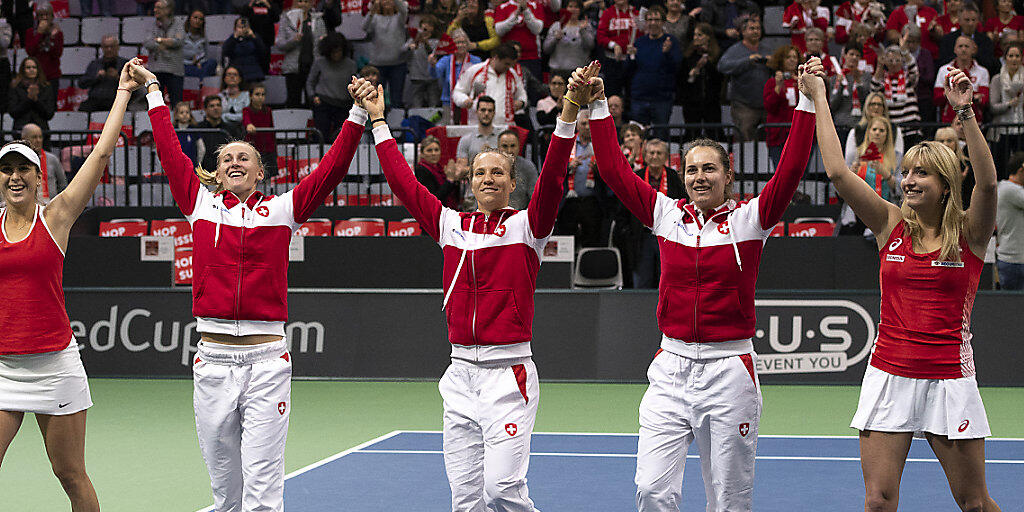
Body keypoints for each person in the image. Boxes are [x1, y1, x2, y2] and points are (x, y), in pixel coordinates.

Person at [583, 54, 817, 510]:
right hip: (670, 369)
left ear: (728, 175)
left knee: (728, 498)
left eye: (709, 168)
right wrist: (597, 108)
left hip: (730, 370)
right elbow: (613, 171)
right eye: (691, 169)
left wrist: (805, 105)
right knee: (652, 489)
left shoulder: (751, 220)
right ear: (682, 176)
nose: (699, 177)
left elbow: (789, 171)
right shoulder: (666, 216)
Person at [357, 54, 587, 511]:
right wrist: (379, 121)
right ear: (469, 180)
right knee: (465, 500)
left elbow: (555, 177)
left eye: (497, 172)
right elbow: (404, 184)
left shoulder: (528, 227)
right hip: (459, 374)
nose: (488, 178)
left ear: (512, 182)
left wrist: (569, 112)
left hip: (509, 375)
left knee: (503, 490)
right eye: (480, 172)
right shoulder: (449, 225)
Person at [135, 61, 366, 512]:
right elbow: (168, 149)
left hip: (266, 364)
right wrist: (154, 92)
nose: (235, 162)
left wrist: (357, 116)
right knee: (225, 494)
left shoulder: (282, 211)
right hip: (213, 363)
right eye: (226, 159)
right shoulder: (199, 205)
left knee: (263, 491)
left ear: (260, 172)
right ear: (217, 174)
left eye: (245, 158)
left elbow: (331, 170)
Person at [805, 57, 1003, 512]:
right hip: (889, 374)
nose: (908, 180)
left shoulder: (971, 234)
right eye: (908, 172)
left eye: (922, 174)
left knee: (974, 503)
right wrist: (818, 94)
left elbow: (988, 185)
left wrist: (966, 113)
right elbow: (838, 172)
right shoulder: (889, 224)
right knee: (878, 501)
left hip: (949, 378)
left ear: (946, 183)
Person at [0, 58, 141, 512]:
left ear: (39, 177)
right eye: (7, 171)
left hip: (54, 366)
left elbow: (100, 156)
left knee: (69, 474)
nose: (15, 177)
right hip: (3, 367)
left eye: (24, 169)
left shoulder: (56, 216)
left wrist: (122, 93)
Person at [629, 138, 684, 289]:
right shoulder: (636, 177)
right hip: (643, 235)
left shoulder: (674, 178)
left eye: (659, 153)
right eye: (651, 153)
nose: (654, 156)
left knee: (668, 281)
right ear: (645, 156)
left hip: (668, 235)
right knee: (642, 280)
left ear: (666, 157)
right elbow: (625, 208)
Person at [628, 5, 682, 136]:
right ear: (646, 22)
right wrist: (631, 56)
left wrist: (667, 53)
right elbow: (629, 71)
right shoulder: (639, 42)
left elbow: (677, 68)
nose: (653, 23)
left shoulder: (671, 42)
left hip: (662, 98)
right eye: (650, 20)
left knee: (660, 136)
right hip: (640, 97)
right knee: (637, 136)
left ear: (663, 22)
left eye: (656, 20)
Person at [718, 15, 771, 142]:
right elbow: (722, 66)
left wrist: (773, 62)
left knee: (767, 139)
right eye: (752, 29)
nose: (756, 31)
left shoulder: (767, 48)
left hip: (766, 104)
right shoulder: (735, 50)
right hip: (744, 104)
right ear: (743, 32)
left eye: (758, 28)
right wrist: (747, 61)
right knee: (744, 138)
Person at [451, 43, 526, 127]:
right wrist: (464, 100)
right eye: (506, 64)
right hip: (477, 125)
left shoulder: (512, 74)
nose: (508, 67)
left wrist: (521, 102)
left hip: (504, 127)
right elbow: (457, 92)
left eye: (511, 65)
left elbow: (522, 94)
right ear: (496, 58)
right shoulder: (475, 70)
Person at [307, 33, 357, 141]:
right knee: (321, 135)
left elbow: (354, 84)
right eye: (333, 52)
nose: (336, 54)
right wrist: (313, 96)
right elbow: (310, 82)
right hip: (323, 103)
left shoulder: (351, 65)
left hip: (343, 105)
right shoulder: (319, 62)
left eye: (339, 51)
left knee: (341, 138)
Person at [275, 0, 326, 108]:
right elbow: (279, 44)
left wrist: (323, 41)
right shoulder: (287, 19)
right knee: (293, 100)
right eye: (300, 1)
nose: (303, 4)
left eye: (306, 2)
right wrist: (293, 41)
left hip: (313, 67)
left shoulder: (317, 19)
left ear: (311, 4)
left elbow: (324, 42)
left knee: (312, 100)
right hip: (294, 68)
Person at [871, 43, 922, 146]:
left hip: (911, 129)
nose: (894, 64)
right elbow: (874, 88)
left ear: (902, 62)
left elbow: (914, 70)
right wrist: (880, 65)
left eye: (897, 60)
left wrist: (905, 51)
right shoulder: (883, 81)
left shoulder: (908, 78)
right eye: (890, 61)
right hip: (891, 130)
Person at [363, 0, 409, 109]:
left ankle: (396, 124)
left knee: (396, 98)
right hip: (377, 64)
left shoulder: (400, 17)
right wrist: (371, 12)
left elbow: (403, 9)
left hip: (398, 63)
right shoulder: (374, 17)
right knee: (377, 98)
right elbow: (365, 27)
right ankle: (378, 123)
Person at [680, 22, 723, 138]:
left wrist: (707, 63)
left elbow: (720, 77)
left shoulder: (717, 55)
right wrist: (692, 73)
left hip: (711, 101)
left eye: (699, 35)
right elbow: (682, 78)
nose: (696, 38)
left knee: (714, 134)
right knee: (692, 134)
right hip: (692, 102)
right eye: (695, 35)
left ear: (708, 37)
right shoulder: (689, 55)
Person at [934, 36, 990, 124]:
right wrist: (973, 96)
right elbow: (937, 98)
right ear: (955, 49)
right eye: (960, 46)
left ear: (973, 50)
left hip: (975, 122)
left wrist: (952, 93)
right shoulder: (944, 70)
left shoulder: (982, 72)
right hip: (949, 122)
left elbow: (984, 100)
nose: (963, 49)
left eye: (967, 46)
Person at [845, 91, 905, 171]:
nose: (876, 107)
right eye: (872, 104)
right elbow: (849, 161)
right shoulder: (855, 131)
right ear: (867, 107)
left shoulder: (895, 130)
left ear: (884, 108)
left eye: (879, 104)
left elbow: (898, 159)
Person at [988, 41, 1024, 173]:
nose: (1014, 59)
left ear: (1021, 58)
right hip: (1002, 130)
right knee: (1001, 166)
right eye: (1010, 56)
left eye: (1017, 56)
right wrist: (1009, 105)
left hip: (1021, 129)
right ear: (1005, 58)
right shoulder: (997, 79)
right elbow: (993, 106)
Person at [764, 44, 801, 170]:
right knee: (780, 170)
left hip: (798, 133)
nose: (792, 60)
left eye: (794, 57)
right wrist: (778, 87)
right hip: (778, 135)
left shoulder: (802, 82)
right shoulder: (772, 82)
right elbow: (770, 107)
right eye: (788, 57)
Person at [938, 2, 999, 77]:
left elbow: (991, 65)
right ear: (959, 21)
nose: (970, 24)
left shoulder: (985, 41)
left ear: (978, 21)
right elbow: (942, 63)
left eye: (973, 20)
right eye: (967, 20)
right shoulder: (948, 40)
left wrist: (974, 54)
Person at [433, 29, 481, 123]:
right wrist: (432, 65)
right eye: (457, 42)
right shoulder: (446, 60)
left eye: (463, 42)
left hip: (470, 103)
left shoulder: (476, 61)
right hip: (449, 102)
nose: (460, 45)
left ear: (468, 44)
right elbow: (435, 74)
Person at [144, 0, 185, 106]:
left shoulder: (178, 24)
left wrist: (159, 40)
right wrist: (168, 42)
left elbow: (179, 41)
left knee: (177, 103)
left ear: (168, 10)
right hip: (155, 70)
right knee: (155, 104)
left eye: (159, 7)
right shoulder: (152, 25)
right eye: (154, 7)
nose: (155, 10)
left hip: (174, 70)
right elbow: (147, 43)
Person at [595, 0, 639, 99]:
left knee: (631, 96)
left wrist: (636, 47)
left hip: (632, 61)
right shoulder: (608, 13)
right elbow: (600, 36)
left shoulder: (636, 14)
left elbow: (643, 34)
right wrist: (613, 45)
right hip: (612, 61)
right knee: (611, 95)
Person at [829, 43, 871, 142]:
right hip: (840, 125)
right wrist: (840, 85)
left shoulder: (866, 76)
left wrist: (859, 81)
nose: (854, 57)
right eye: (851, 54)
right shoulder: (835, 78)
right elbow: (833, 104)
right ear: (845, 55)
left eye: (857, 55)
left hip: (859, 125)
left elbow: (866, 101)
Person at [493, 0, 544, 80]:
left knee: (532, 89)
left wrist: (526, 11)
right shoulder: (502, 7)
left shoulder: (535, 5)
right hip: (508, 58)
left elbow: (537, 29)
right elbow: (499, 31)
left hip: (531, 57)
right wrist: (515, 15)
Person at [542, 0, 594, 78]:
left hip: (579, 72)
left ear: (580, 10)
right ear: (565, 9)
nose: (573, 9)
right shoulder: (556, 26)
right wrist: (555, 38)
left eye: (576, 7)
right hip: (557, 71)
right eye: (570, 6)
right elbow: (546, 49)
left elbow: (590, 46)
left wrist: (583, 32)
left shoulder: (586, 25)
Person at [79, 35, 129, 113]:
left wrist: (118, 78)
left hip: (117, 100)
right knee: (83, 109)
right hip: (96, 100)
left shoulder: (125, 64)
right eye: (106, 47)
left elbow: (134, 85)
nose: (109, 49)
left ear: (117, 47)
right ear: (102, 48)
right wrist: (96, 77)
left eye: (112, 46)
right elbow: (82, 83)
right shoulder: (95, 64)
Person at [997, 151, 1024, 290]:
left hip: (1015, 260)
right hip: (1014, 261)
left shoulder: (1007, 188)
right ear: (1021, 169)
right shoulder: (1010, 189)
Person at [195, 95, 243, 174]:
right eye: (212, 106)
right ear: (205, 109)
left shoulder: (230, 129)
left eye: (218, 105)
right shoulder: (198, 129)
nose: (216, 108)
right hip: (203, 174)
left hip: (226, 173)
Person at [455, 96, 501, 179]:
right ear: (477, 112)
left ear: (494, 113)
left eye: (490, 110)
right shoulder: (466, 140)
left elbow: (508, 168)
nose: (486, 113)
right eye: (483, 110)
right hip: (472, 190)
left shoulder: (502, 139)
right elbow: (460, 171)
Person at [20, 123, 66, 201]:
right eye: (34, 137)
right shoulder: (18, 160)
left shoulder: (52, 159)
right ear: (24, 139)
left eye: (40, 137)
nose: (38, 140)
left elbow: (63, 184)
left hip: (51, 205)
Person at [414, 135, 462, 209]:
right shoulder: (422, 170)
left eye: (436, 150)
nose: (434, 153)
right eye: (429, 150)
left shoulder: (440, 169)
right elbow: (434, 198)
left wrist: (455, 179)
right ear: (422, 154)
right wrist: (449, 180)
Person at [9, 57, 55, 133]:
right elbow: (13, 112)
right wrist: (29, 99)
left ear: (38, 70)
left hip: (41, 130)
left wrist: (36, 100)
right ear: (23, 70)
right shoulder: (15, 87)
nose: (31, 70)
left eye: (34, 67)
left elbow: (49, 114)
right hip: (21, 130)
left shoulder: (46, 87)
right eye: (28, 67)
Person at [405, 15, 442, 109]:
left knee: (433, 105)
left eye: (428, 27)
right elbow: (402, 50)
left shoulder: (437, 42)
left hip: (432, 78)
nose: (424, 30)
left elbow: (431, 54)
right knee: (416, 104)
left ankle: (433, 123)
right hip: (416, 77)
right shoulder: (413, 40)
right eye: (422, 27)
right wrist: (413, 44)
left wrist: (425, 42)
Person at [497, 128, 537, 210]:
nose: (509, 150)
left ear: (519, 147)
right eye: (505, 146)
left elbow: (535, 199)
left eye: (513, 146)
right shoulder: (490, 167)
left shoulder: (528, 167)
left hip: (520, 217)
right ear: (498, 147)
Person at [24, 2, 62, 87]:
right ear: (37, 17)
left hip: (52, 76)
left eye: (47, 15)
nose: (44, 18)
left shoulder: (58, 33)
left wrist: (52, 37)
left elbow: (57, 54)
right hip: (34, 76)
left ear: (52, 17)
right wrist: (39, 33)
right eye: (41, 15)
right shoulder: (30, 32)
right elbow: (30, 52)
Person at [243, 83, 277, 177]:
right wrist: (249, 125)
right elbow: (247, 122)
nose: (260, 97)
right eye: (257, 94)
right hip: (254, 149)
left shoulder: (268, 110)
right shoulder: (246, 110)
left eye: (263, 94)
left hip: (268, 148)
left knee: (269, 177)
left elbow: (272, 128)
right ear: (250, 96)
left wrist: (274, 148)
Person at [223, 17, 268, 83]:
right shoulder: (231, 39)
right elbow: (225, 53)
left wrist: (254, 37)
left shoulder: (255, 38)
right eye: (239, 27)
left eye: (244, 26)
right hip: (237, 70)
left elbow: (263, 53)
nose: (242, 29)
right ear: (235, 28)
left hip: (253, 70)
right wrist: (234, 38)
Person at [183, 9, 217, 79]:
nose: (197, 21)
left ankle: (201, 81)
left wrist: (199, 62)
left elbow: (206, 55)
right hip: (185, 65)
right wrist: (192, 62)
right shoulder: (181, 35)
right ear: (189, 19)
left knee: (212, 62)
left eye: (200, 19)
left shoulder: (204, 37)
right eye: (195, 18)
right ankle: (201, 81)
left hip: (200, 65)